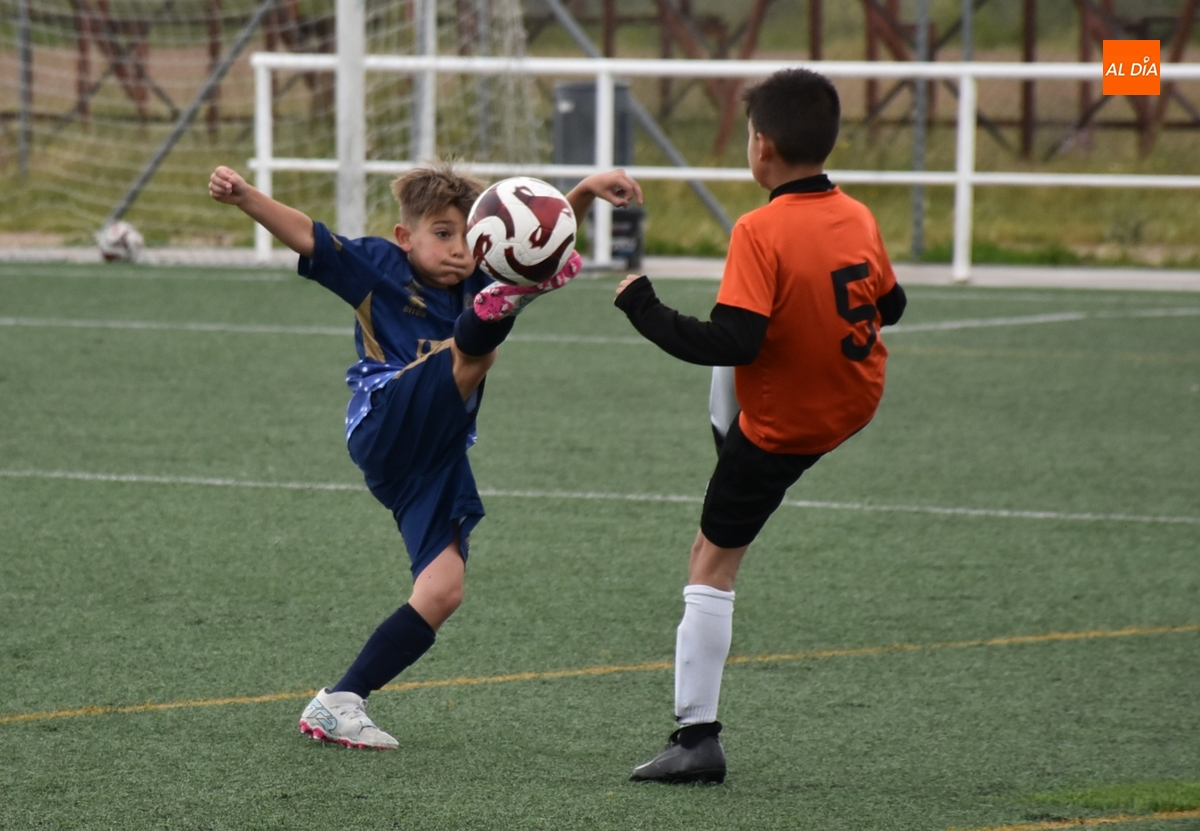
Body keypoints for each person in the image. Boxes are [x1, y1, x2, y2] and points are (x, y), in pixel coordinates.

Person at [210, 162, 642, 749]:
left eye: (468, 235)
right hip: (384, 415)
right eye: (443, 233)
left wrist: (585, 190)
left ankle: (340, 701)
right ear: (404, 237)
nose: (460, 248)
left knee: (443, 591)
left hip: (435, 453)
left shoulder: (480, 275)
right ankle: (514, 301)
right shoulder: (378, 268)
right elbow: (308, 234)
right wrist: (245, 196)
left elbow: (531, 237)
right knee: (477, 348)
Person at [614, 68, 907, 784]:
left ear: (762, 147)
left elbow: (731, 342)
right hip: (854, 396)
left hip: (787, 422)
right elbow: (891, 306)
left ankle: (696, 737)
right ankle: (732, 451)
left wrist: (642, 305)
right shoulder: (856, 214)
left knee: (710, 560)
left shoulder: (759, 228)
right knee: (742, 393)